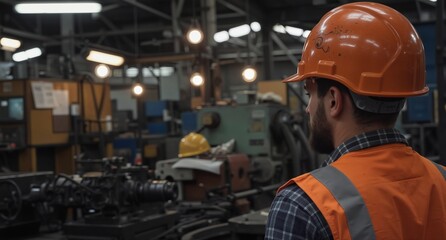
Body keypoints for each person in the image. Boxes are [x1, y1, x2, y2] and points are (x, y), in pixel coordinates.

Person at [265, 2, 446, 240]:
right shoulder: (441, 180)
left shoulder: (303, 204)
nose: (308, 109)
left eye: (310, 95)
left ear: (333, 100)